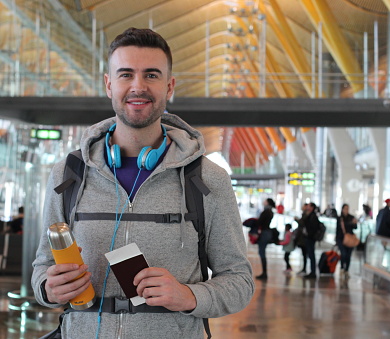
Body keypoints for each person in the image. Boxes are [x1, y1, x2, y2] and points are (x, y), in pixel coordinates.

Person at [31, 28, 254, 339]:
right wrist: (48, 288)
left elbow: (240, 281)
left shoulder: (207, 180)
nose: (138, 86)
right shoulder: (68, 175)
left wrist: (190, 297)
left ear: (169, 86)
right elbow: (42, 267)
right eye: (126, 75)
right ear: (109, 84)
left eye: (151, 75)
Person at [336, 204, 358, 281]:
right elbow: (338, 229)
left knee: (348, 255)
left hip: (350, 239)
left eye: (347, 209)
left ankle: (346, 270)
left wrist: (354, 223)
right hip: (341, 239)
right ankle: (342, 268)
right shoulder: (340, 218)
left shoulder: (351, 217)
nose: (346, 210)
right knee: (343, 253)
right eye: (345, 208)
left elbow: (355, 227)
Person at [256, 198, 276, 280]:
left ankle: (264, 273)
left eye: (265, 201)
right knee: (262, 252)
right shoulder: (270, 211)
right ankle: (264, 272)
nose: (263, 202)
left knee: (262, 252)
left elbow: (259, 222)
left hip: (264, 233)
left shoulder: (266, 212)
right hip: (267, 232)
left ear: (268, 203)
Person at [302, 202, 320, 279]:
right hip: (309, 238)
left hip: (310, 238)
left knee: (311, 255)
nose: (307, 208)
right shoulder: (309, 215)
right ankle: (312, 271)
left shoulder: (313, 216)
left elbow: (313, 228)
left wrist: (309, 235)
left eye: (309, 206)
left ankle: (313, 272)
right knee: (310, 255)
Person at [294, 203, 309, 275]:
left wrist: (297, 220)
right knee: (304, 254)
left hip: (304, 238)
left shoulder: (306, 215)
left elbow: (302, 223)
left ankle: (305, 269)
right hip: (303, 238)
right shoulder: (305, 214)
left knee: (305, 253)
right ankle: (304, 268)